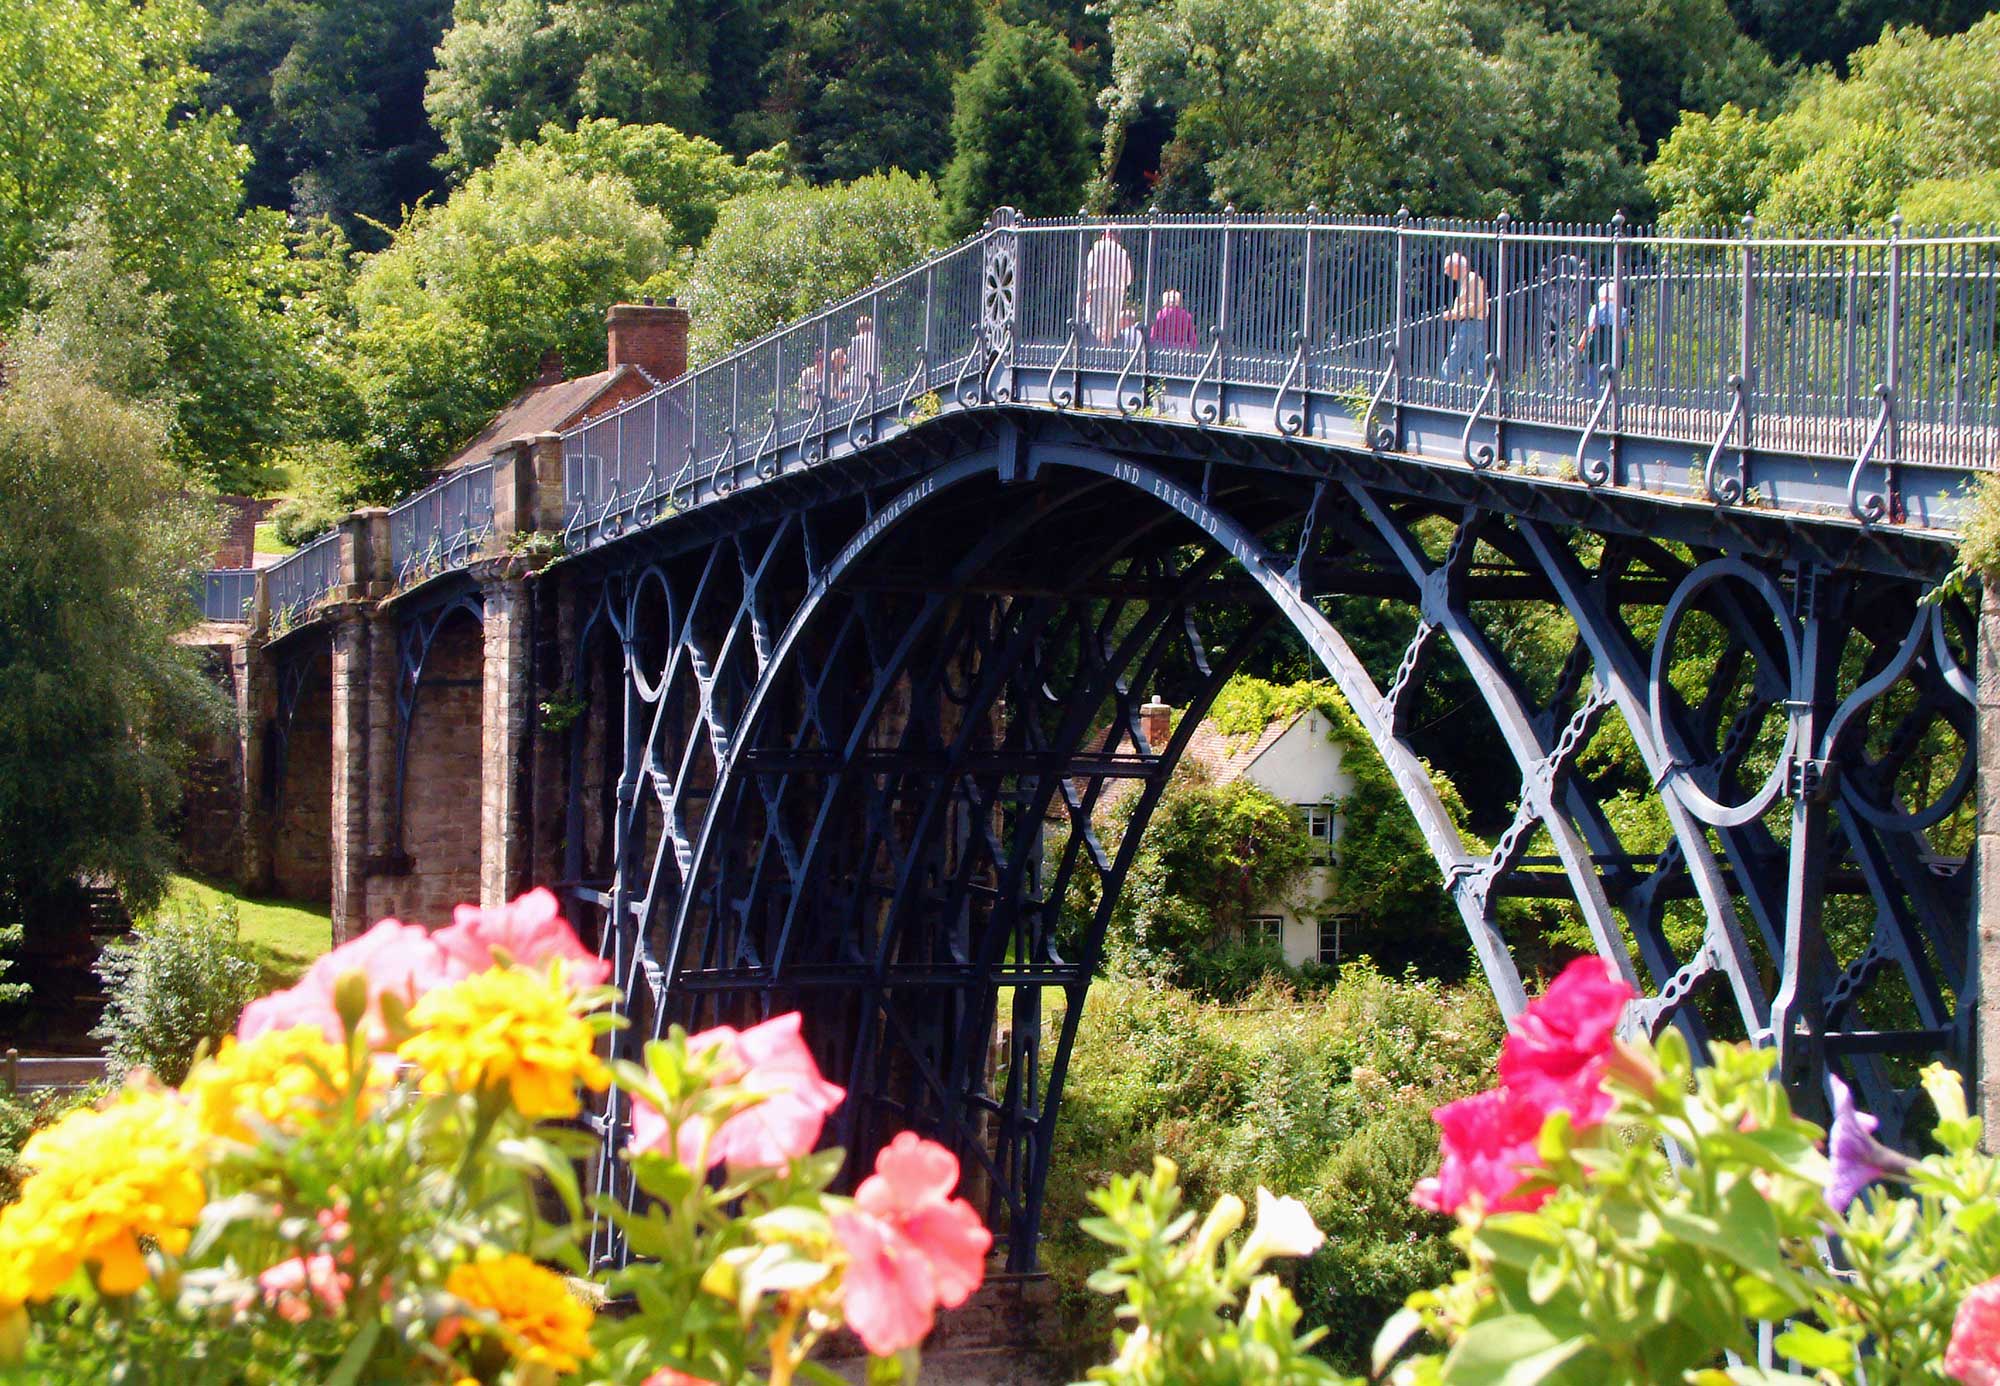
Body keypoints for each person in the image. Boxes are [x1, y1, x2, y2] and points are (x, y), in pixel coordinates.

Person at [1439, 253, 1489, 384]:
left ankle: (1445, 394)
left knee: (1452, 362)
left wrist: (1455, 314)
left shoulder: (1472, 279)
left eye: (1447, 268)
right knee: (1477, 364)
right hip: (1474, 324)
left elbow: (1477, 304)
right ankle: (1482, 396)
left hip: (1471, 324)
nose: (1446, 272)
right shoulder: (1467, 280)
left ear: (1456, 267)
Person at [1573, 282, 1629, 395]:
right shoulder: (1623, 311)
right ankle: (1612, 398)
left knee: (1593, 374)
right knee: (1613, 373)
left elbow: (1590, 327)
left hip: (1597, 344)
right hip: (1614, 345)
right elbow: (1625, 333)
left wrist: (1581, 342)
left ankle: (1594, 398)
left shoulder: (1596, 308)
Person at [1081, 226, 1133, 346]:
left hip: (1099, 289)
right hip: (1117, 291)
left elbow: (1090, 271)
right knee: (1112, 325)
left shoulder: (1098, 248)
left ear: (1107, 233)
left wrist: (1087, 289)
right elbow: (1128, 278)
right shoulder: (1123, 252)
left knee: (1098, 323)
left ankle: (1099, 348)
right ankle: (1108, 349)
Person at [847, 314, 879, 396]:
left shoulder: (856, 340)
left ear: (859, 328)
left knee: (856, 402)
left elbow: (850, 359)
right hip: (874, 375)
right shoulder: (875, 340)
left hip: (858, 378)